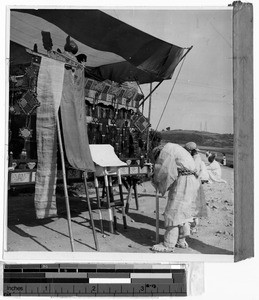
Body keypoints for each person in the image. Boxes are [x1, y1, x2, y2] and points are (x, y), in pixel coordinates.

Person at [151, 143, 200, 252]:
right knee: (184, 212)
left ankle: (168, 244)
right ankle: (181, 240)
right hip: (192, 181)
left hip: (184, 181)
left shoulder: (166, 152)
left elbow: (164, 170)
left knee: (173, 212)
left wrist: (155, 178)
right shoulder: (176, 148)